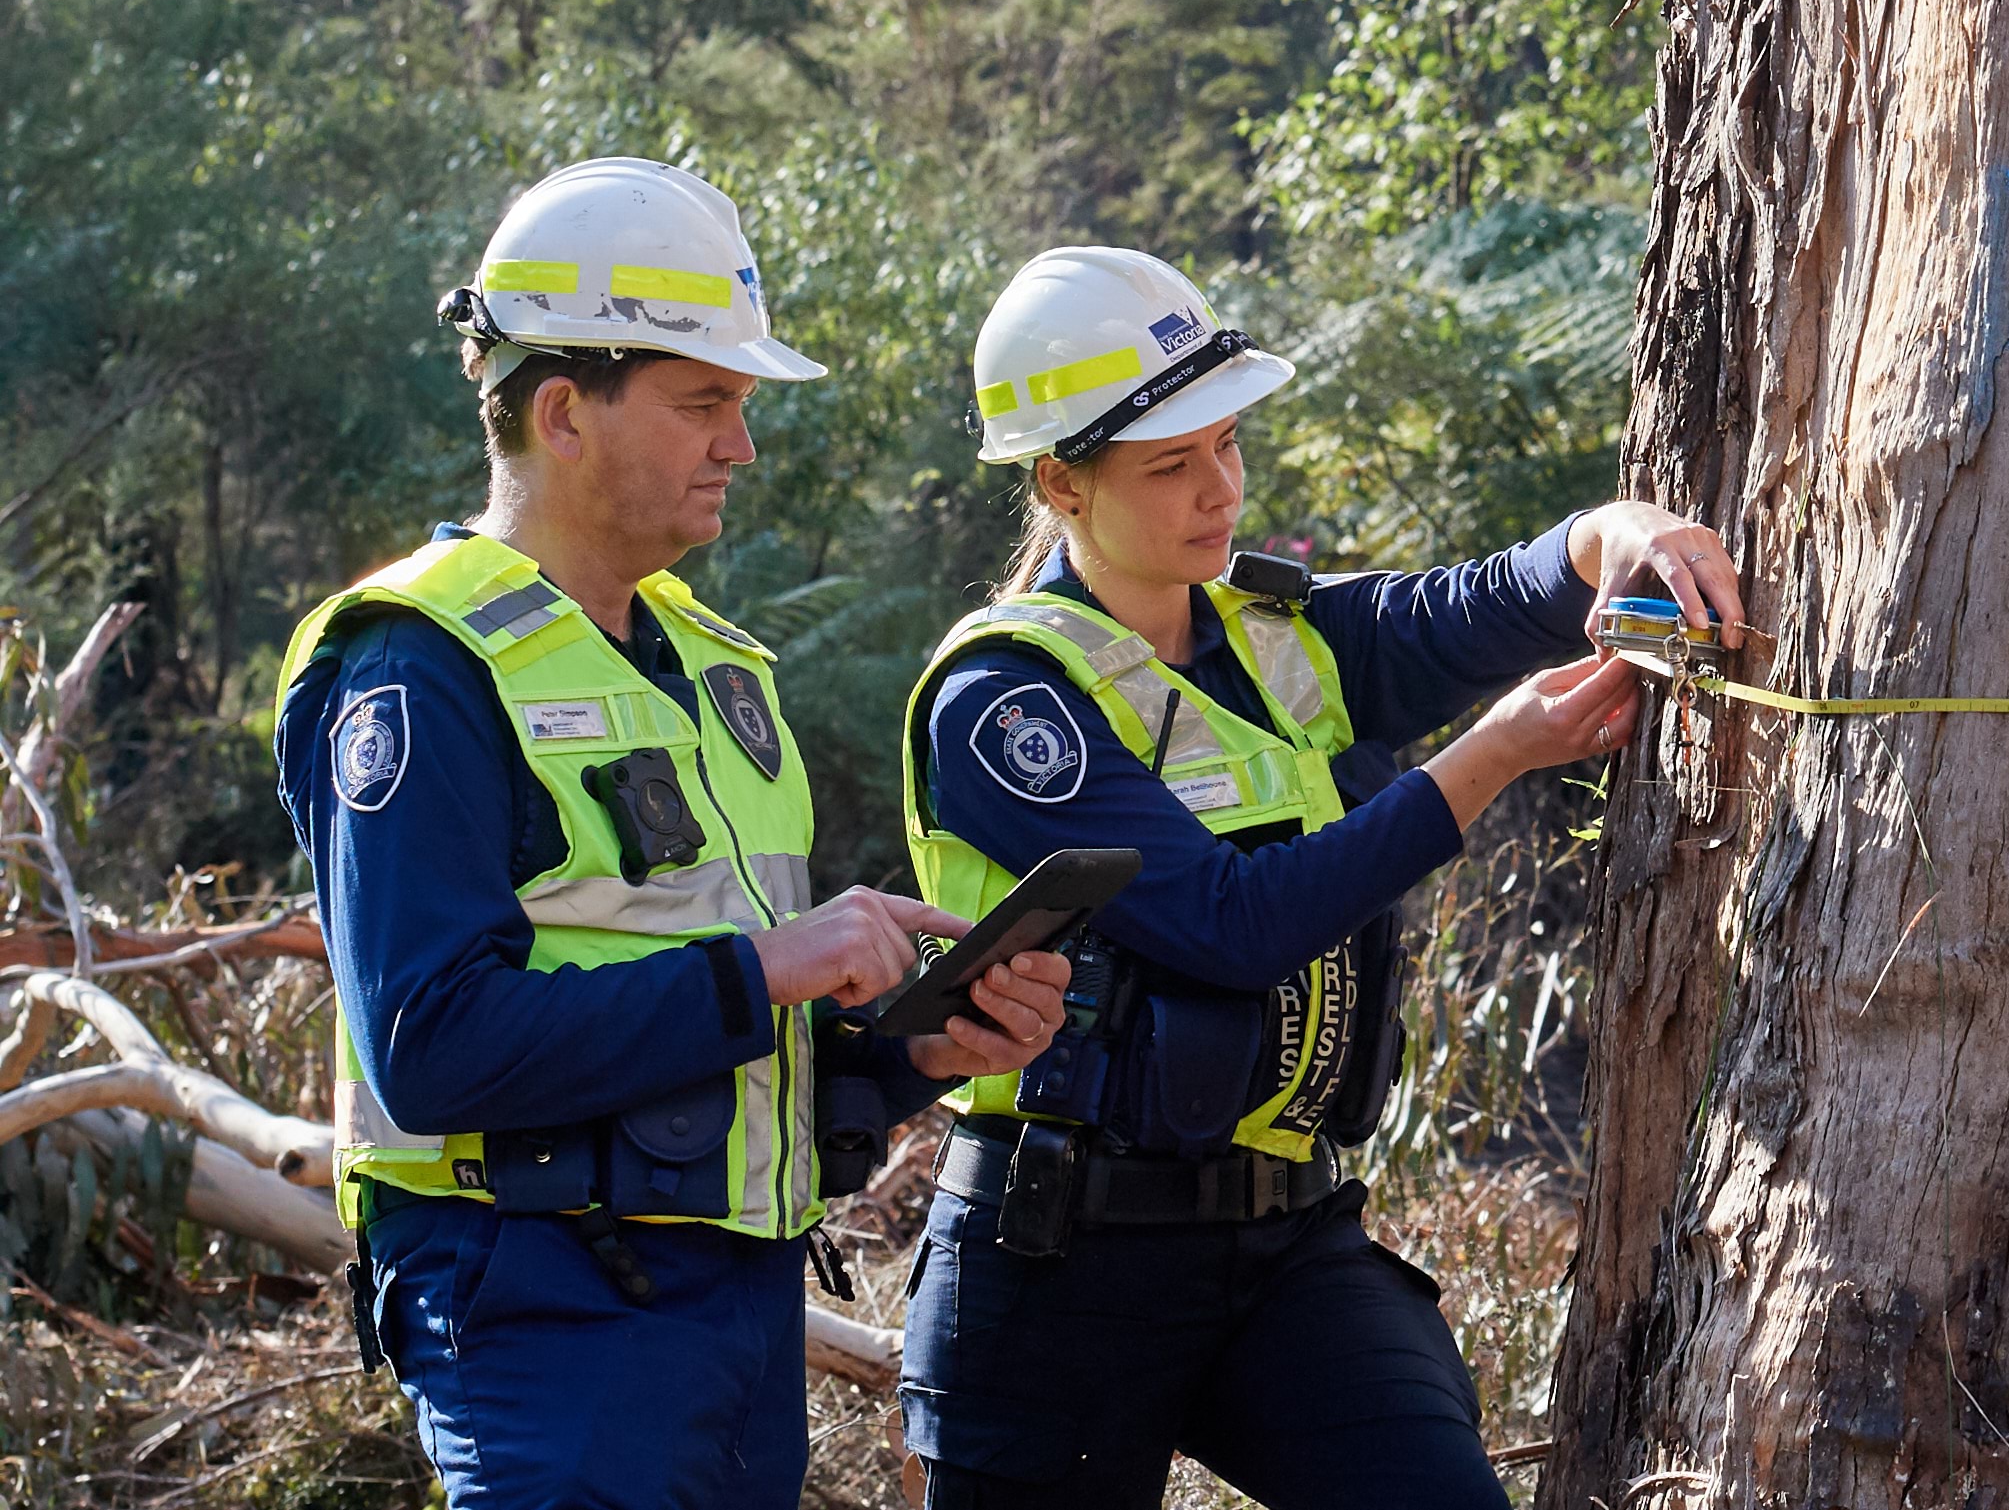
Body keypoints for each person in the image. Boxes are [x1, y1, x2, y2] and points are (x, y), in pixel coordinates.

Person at [271, 158, 1073, 1508]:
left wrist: (911, 1051)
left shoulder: (721, 669)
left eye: (741, 407)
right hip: (542, 1317)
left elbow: (724, 1044)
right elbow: (432, 1047)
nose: (739, 445)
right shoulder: (417, 670)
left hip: (735, 1321)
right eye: (706, 402)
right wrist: (774, 966)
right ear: (565, 412)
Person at [893, 245, 1743, 1507]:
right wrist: (1493, 757)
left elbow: (1471, 606)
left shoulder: (1279, 634)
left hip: (1286, 1244)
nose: (1218, 490)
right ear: (1059, 482)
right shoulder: (1006, 703)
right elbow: (1230, 928)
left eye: (1227, 444)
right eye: (1170, 464)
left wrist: (1609, 534)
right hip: (1056, 1262)